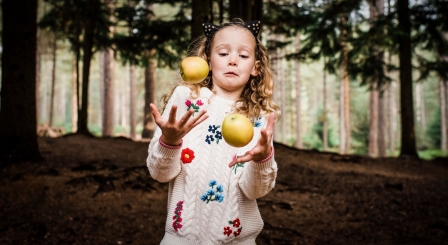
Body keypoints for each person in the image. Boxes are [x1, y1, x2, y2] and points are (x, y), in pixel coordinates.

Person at [147, 19, 280, 244]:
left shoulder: (259, 118)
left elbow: (255, 190)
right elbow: (160, 173)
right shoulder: (185, 100)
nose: (233, 61)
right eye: (223, 53)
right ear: (208, 61)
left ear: (256, 68)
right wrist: (169, 141)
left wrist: (262, 160)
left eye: (244, 56)